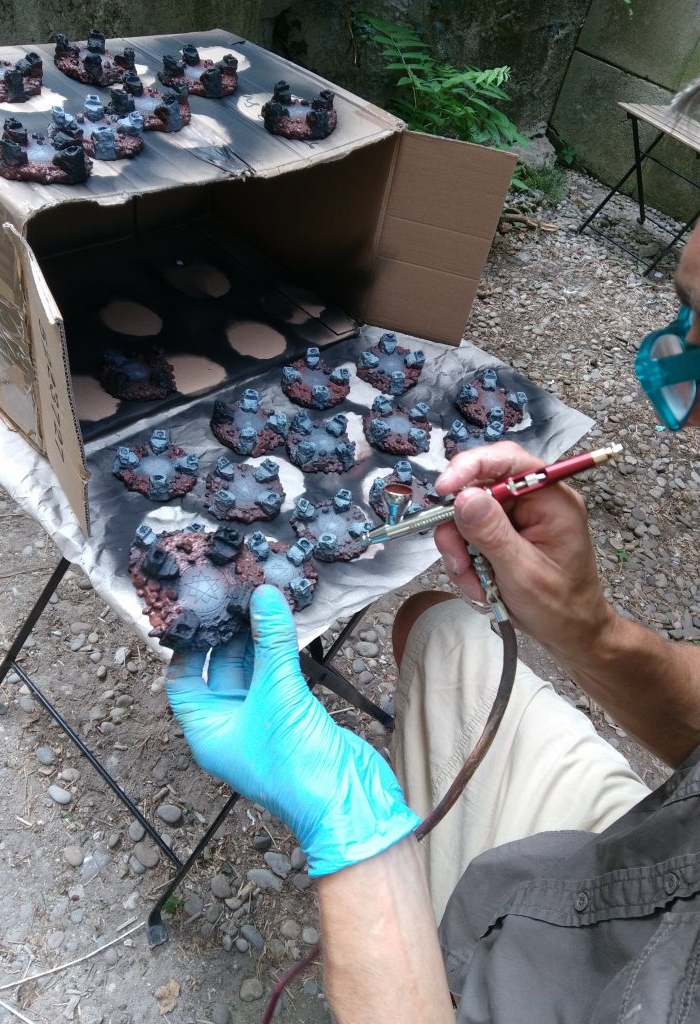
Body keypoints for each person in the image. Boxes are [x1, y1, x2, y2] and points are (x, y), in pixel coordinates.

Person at [165, 153, 700, 1024]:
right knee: (440, 626)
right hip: (662, 850)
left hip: (605, 987)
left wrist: (352, 835)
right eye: (689, 314)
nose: (686, 401)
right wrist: (590, 629)